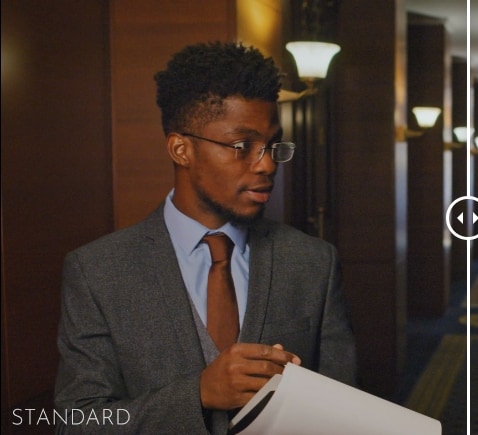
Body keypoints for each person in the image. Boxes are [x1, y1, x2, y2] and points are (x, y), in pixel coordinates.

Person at [54, 41, 357, 434]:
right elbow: (75, 422)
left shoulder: (314, 262)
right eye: (242, 146)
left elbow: (346, 415)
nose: (267, 164)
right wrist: (196, 395)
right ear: (181, 149)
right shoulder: (97, 272)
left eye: (271, 145)